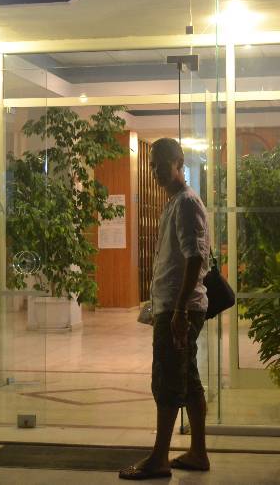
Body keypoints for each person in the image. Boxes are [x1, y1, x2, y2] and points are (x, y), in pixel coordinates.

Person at [120, 137, 210, 480]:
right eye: (152, 165)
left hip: (179, 308)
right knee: (189, 379)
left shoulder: (186, 203)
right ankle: (198, 452)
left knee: (167, 381)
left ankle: (160, 458)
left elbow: (195, 257)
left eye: (161, 164)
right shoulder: (174, 203)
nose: (155, 171)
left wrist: (179, 311)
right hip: (172, 306)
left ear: (179, 163)